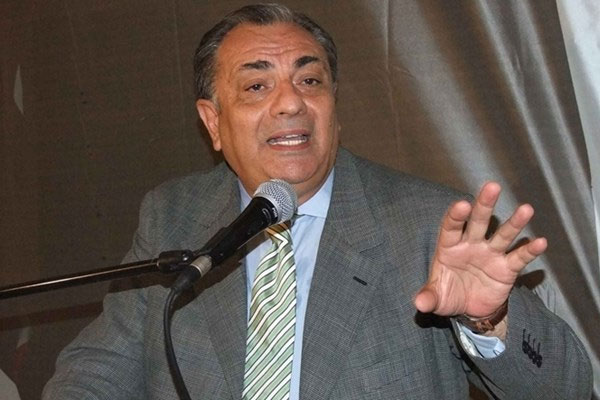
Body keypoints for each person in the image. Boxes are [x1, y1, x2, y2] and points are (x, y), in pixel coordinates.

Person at [43, 3, 592, 399]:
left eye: (310, 81)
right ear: (212, 122)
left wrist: (490, 320)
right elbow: (97, 370)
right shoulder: (173, 214)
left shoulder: (429, 224)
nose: (291, 103)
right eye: (256, 86)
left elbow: (565, 389)